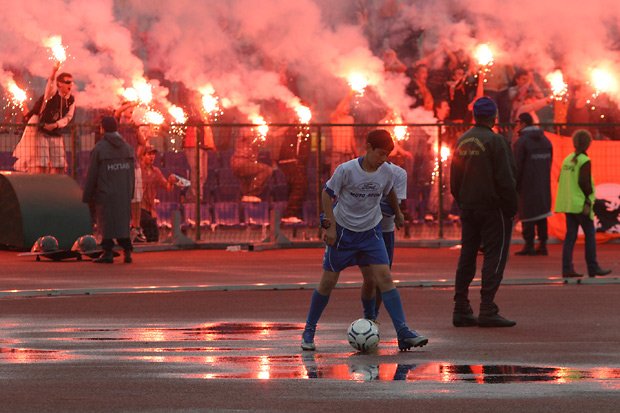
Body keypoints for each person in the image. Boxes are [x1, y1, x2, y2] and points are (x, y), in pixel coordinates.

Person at [301, 129, 428, 352]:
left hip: (371, 232)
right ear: (367, 147)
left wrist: (398, 213)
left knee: (383, 278)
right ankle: (309, 330)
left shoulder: (386, 171)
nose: (383, 159)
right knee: (327, 283)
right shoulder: (347, 170)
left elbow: (389, 192)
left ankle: (401, 331)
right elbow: (326, 194)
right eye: (380, 153)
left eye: (387, 154)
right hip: (344, 233)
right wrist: (329, 224)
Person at [450, 97, 518, 328]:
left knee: (467, 255)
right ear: (494, 117)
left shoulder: (461, 140)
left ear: (474, 116)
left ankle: (460, 307)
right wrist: (511, 208)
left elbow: (454, 179)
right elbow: (506, 179)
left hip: (469, 206)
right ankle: (487, 308)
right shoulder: (496, 141)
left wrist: (462, 200)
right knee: (494, 256)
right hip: (492, 208)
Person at [554, 130, 612, 278]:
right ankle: (593, 267)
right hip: (580, 204)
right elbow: (584, 182)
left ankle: (567, 268)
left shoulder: (568, 159)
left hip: (568, 204)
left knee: (570, 237)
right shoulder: (584, 160)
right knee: (590, 235)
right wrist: (588, 198)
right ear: (588, 144)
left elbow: (561, 179)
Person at [82, 117, 135, 264]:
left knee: (106, 224)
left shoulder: (99, 148)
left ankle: (107, 252)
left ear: (102, 128)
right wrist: (130, 192)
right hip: (123, 193)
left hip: (105, 193)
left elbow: (92, 174)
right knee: (122, 224)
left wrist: (87, 196)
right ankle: (127, 250)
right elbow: (132, 174)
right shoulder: (127, 147)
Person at [13, 61, 75, 174]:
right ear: (59, 84)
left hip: (55, 132)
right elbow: (50, 84)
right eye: (67, 82)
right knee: (41, 164)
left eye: (71, 82)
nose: (70, 85)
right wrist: (54, 72)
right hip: (41, 132)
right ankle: (39, 187)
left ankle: (55, 187)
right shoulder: (51, 94)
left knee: (60, 165)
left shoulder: (71, 100)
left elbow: (68, 117)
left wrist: (55, 125)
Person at [513, 112, 553, 256]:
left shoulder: (522, 142)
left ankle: (529, 245)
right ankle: (543, 244)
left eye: (517, 123)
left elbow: (517, 165)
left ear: (522, 123)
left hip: (527, 184)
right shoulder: (546, 140)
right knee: (542, 214)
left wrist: (515, 184)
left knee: (527, 215)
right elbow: (550, 162)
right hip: (543, 183)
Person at [140, 144, 178, 242]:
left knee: (153, 234)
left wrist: (171, 181)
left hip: (150, 207)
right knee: (150, 224)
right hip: (138, 206)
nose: (152, 157)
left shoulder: (156, 172)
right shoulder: (138, 170)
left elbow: (168, 187)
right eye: (149, 154)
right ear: (142, 156)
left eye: (153, 154)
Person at [231, 127, 272, 203]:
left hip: (248, 164)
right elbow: (245, 134)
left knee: (247, 187)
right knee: (267, 169)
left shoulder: (256, 141)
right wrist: (255, 131)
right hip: (240, 162)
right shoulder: (246, 131)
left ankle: (247, 200)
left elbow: (263, 141)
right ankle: (252, 193)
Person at [329, 92, 358, 175]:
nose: (348, 107)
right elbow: (339, 109)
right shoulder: (335, 117)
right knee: (337, 177)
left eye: (348, 105)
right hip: (338, 153)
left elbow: (352, 137)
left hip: (348, 154)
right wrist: (349, 94)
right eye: (345, 105)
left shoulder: (350, 119)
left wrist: (356, 154)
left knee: (349, 178)